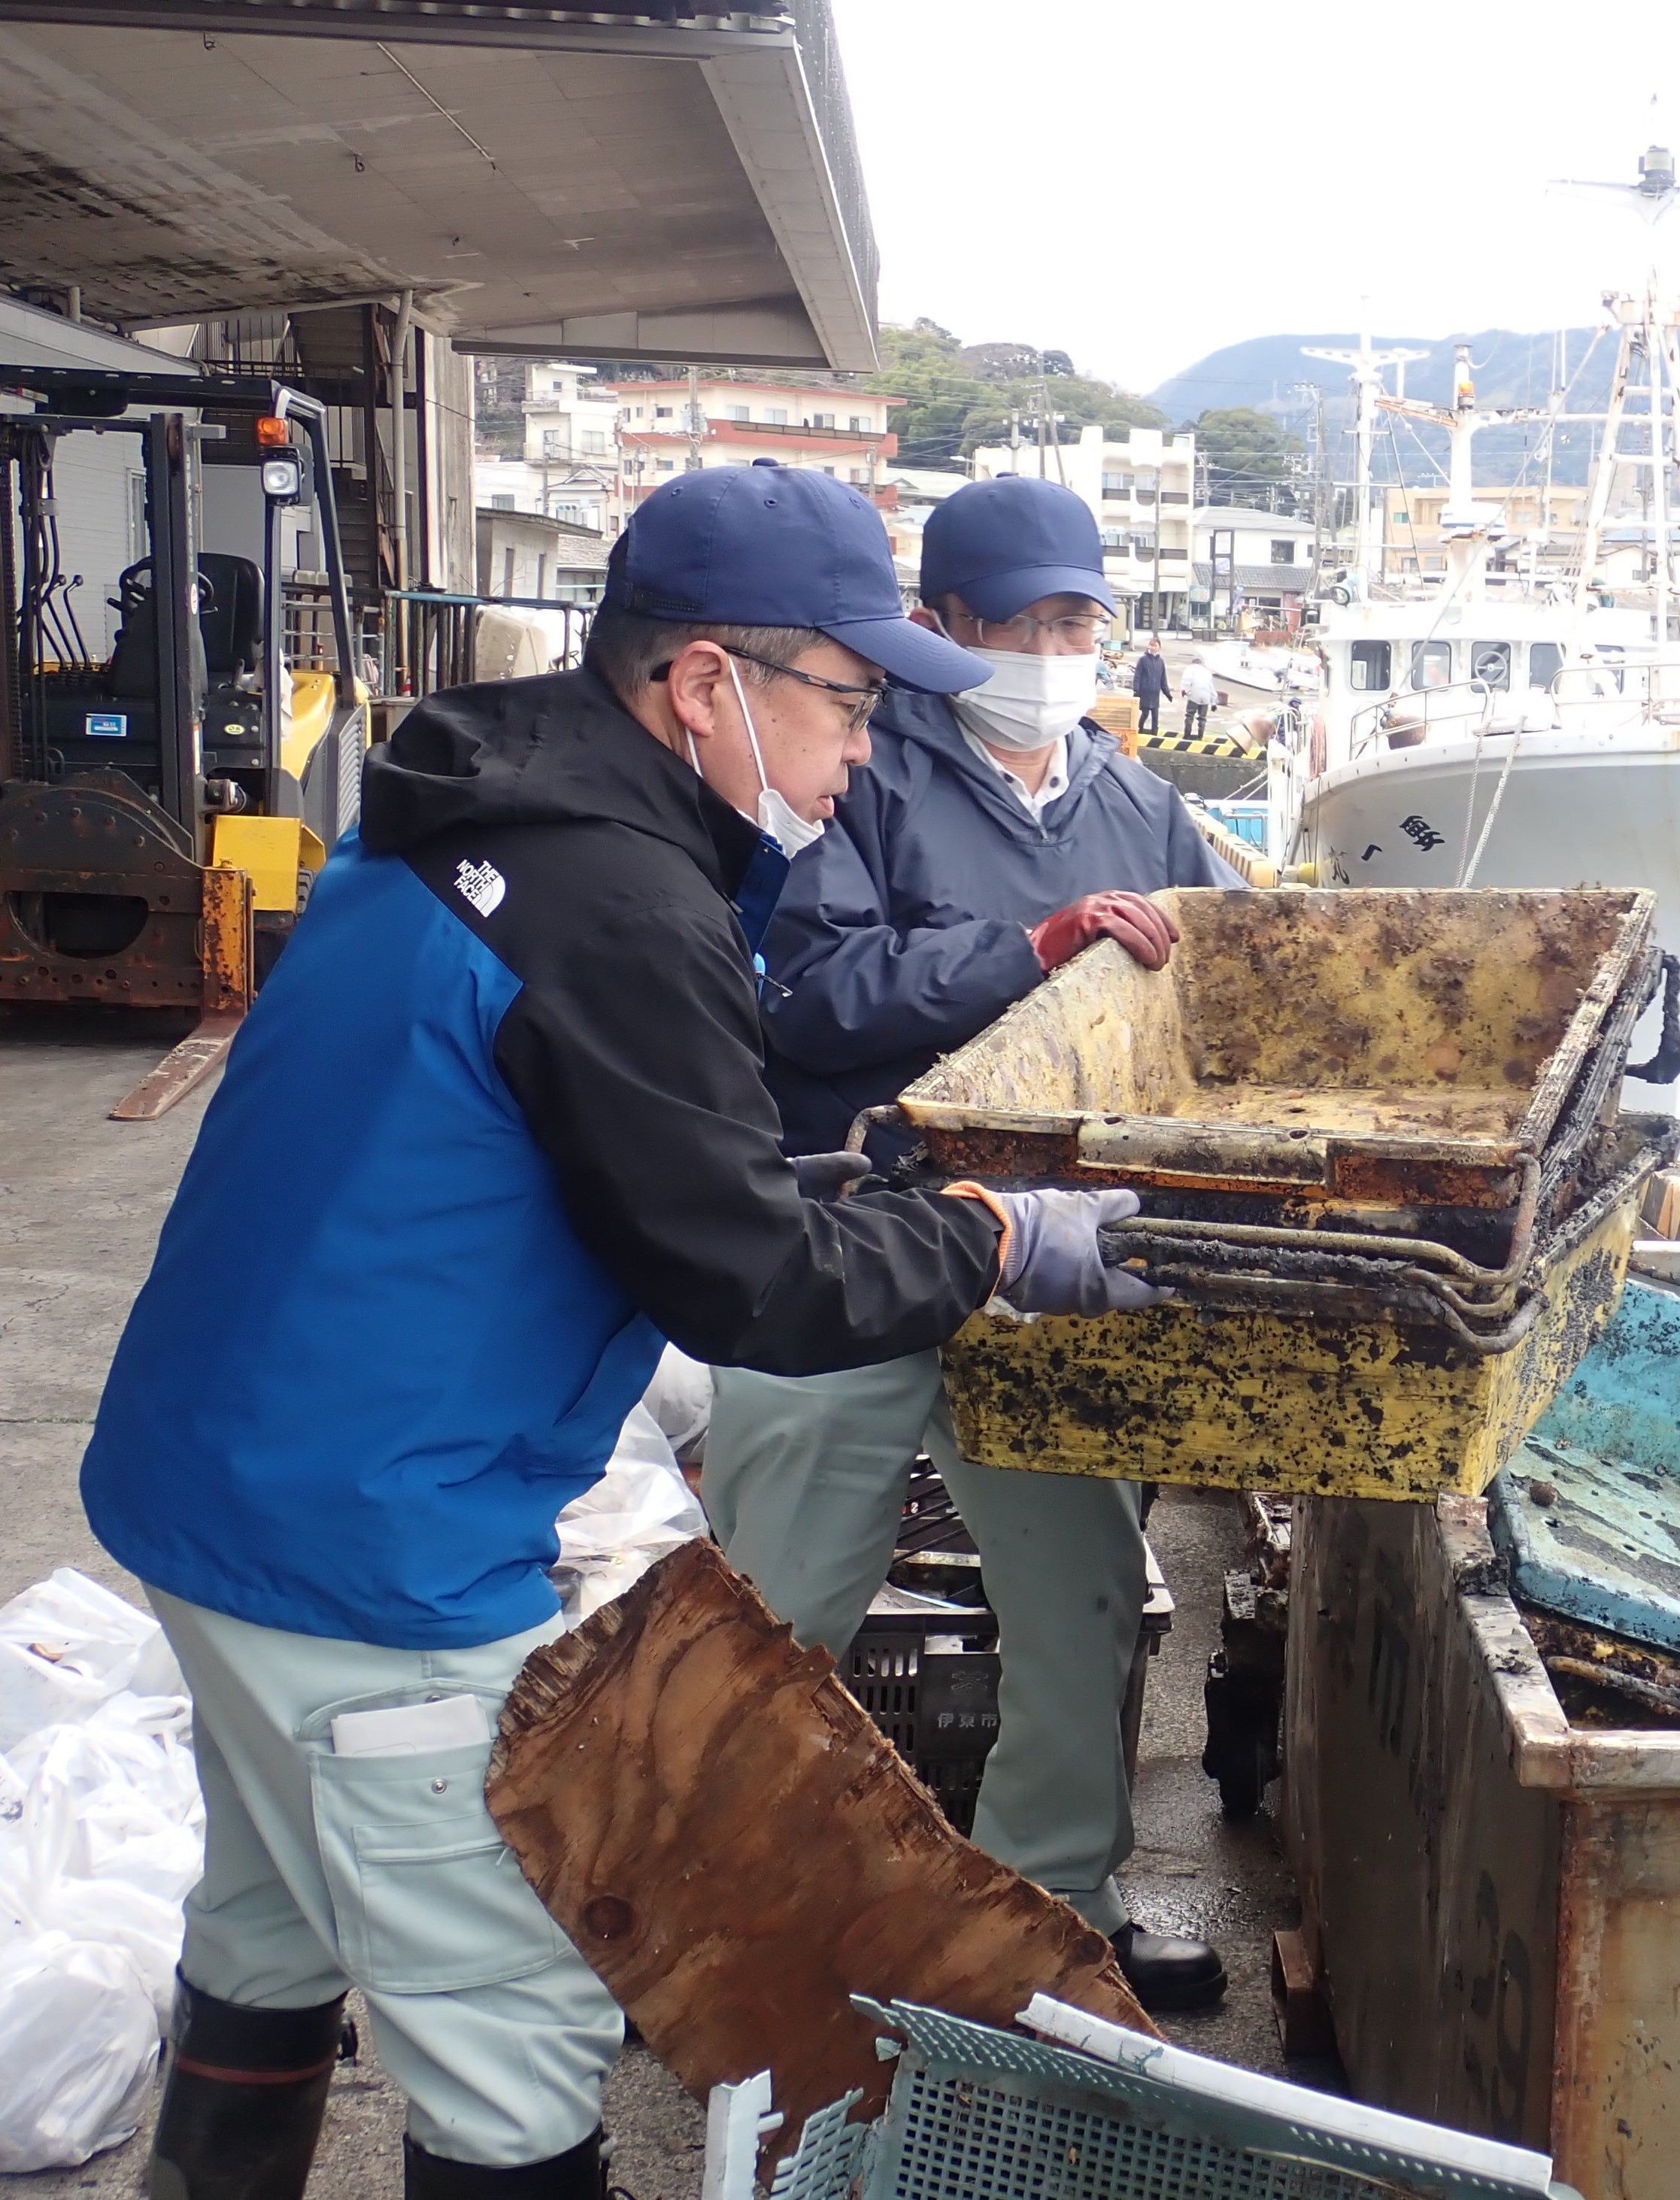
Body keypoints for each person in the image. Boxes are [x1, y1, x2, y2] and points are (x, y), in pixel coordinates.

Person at [77, 461, 1154, 2197]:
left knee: (267, 1921)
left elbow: (563, 1132)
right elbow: (750, 1285)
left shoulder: (466, 806)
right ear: (706, 683)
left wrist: (817, 1179)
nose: (865, 748)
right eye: (849, 700)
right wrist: (997, 1237)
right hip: (375, 1550)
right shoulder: (624, 901)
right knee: (513, 2031)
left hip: (202, 1478)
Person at [704, 473, 1245, 2013]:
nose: (1056, 651)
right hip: (853, 1244)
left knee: (1082, 1599)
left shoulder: (1143, 805)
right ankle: (724, 1910)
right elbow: (806, 995)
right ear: (939, 627)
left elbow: (1208, 1007)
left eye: (1080, 622)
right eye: (1024, 623)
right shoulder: (857, 766)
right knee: (777, 1606)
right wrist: (1032, 948)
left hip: (1050, 1267)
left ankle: (1050, 1911)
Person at [1133, 635, 1170, 736]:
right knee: (1145, 714)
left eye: (1155, 646)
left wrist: (1167, 693)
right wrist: (1136, 690)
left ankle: (1154, 734)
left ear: (1159, 647)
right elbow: (1137, 676)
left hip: (1155, 693)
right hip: (1144, 692)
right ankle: (1139, 730)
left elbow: (1163, 679)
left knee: (1155, 715)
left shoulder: (1160, 661)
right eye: (1151, 645)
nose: (1153, 648)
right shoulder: (1143, 659)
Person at [1181, 653, 1218, 738]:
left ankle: (1187, 735)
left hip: (1194, 695)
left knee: (1189, 715)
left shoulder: (1190, 669)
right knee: (1202, 718)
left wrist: (1185, 691)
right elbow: (1211, 688)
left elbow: (1186, 681)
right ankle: (1200, 736)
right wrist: (1214, 703)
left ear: (1192, 663)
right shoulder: (1207, 672)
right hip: (1206, 697)